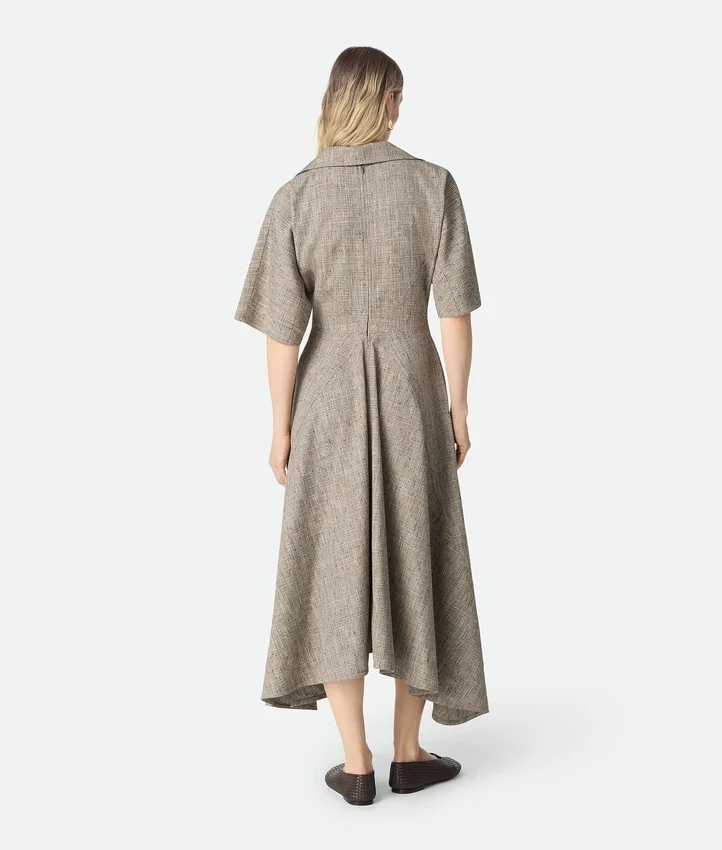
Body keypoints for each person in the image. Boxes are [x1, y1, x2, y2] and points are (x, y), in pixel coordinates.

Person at [234, 46, 489, 806]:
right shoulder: (433, 185)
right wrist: (459, 407)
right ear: (391, 103)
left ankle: (356, 763)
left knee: (332, 565)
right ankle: (410, 751)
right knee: (419, 554)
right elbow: (455, 313)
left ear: (333, 100)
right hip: (412, 387)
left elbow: (282, 331)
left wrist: (280, 426)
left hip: (327, 394)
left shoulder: (296, 195)